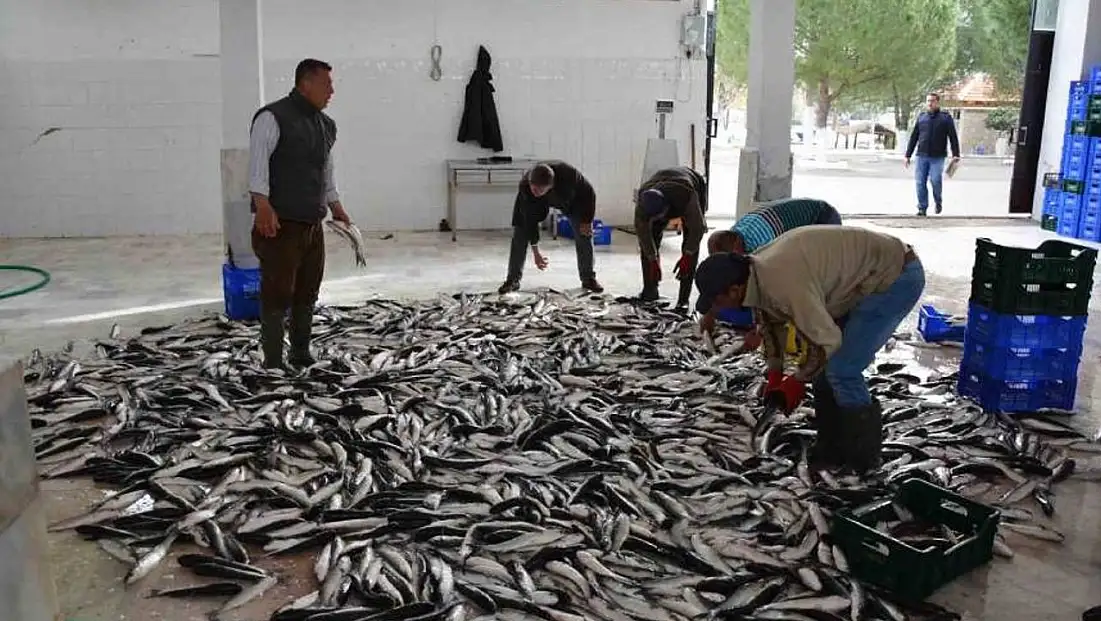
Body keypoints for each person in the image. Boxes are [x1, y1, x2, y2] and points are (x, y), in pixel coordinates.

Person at [693, 225, 925, 474]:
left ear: (734, 290)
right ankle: (832, 447)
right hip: (857, 281)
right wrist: (775, 374)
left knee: (842, 368)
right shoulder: (755, 273)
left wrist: (797, 380)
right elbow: (770, 323)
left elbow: (829, 342)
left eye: (718, 301)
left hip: (894, 277)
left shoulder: (782, 281)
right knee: (824, 368)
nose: (718, 309)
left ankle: (863, 462)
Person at [248, 58, 352, 370]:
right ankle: (273, 361)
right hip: (280, 223)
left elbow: (326, 170)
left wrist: (335, 205)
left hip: (311, 222)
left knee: (308, 288)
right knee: (278, 290)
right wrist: (262, 204)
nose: (331, 90)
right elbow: (257, 164)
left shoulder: (326, 125)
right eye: (326, 84)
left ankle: (300, 353)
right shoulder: (272, 117)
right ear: (305, 84)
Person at [702, 197, 844, 337]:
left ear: (736, 249)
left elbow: (769, 288)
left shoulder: (761, 248)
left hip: (822, 217)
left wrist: (760, 329)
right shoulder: (732, 239)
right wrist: (711, 312)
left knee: (816, 281)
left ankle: (827, 329)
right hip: (791, 217)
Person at [498, 161, 604, 294]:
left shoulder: (569, 176)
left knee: (584, 234)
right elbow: (529, 221)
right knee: (520, 234)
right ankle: (512, 279)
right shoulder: (526, 187)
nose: (535, 191)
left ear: (550, 186)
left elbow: (590, 193)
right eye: (533, 188)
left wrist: (587, 220)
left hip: (572, 202)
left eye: (539, 189)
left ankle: (588, 279)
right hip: (536, 205)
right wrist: (536, 252)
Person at [634, 166, 709, 309]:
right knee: (649, 242)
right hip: (662, 185)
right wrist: (653, 260)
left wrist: (687, 255)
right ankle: (650, 291)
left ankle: (683, 300)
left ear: (667, 208)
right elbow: (643, 235)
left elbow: (697, 229)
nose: (662, 220)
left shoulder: (685, 195)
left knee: (691, 243)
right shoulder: (643, 203)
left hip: (692, 184)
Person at [904, 92, 961, 217]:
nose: (930, 103)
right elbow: (914, 137)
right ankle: (922, 208)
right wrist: (908, 155)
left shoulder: (945, 118)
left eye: (933, 101)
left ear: (937, 102)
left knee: (935, 180)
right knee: (920, 182)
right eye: (928, 101)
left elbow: (953, 136)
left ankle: (938, 201)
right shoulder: (922, 117)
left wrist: (956, 154)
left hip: (938, 156)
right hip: (921, 155)